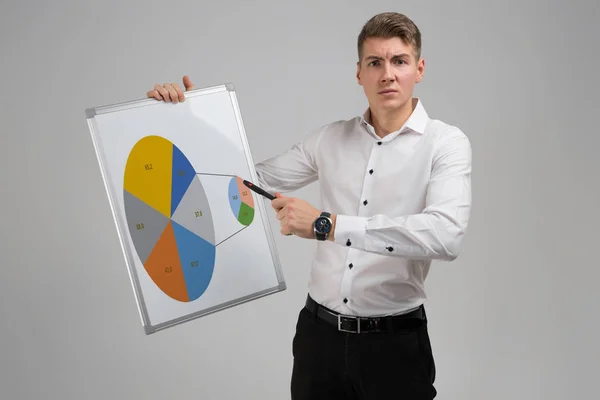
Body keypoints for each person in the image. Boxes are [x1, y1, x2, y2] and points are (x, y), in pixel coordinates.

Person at [146, 11, 471, 400]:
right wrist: (187, 118)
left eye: (399, 61)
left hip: (395, 345)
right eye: (375, 62)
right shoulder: (330, 139)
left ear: (418, 69)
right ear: (359, 73)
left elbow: (445, 236)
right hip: (319, 341)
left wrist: (328, 225)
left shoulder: (445, 144)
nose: (387, 74)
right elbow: (247, 180)